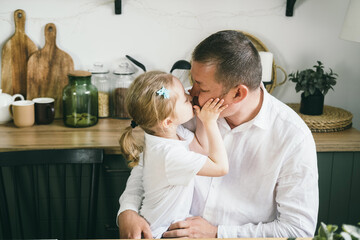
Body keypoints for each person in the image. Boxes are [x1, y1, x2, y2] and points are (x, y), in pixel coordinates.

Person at [117, 30, 319, 238]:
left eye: (201, 87)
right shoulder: (181, 107)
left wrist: (218, 234)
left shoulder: (293, 137)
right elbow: (150, 163)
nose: (191, 92)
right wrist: (128, 209)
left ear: (238, 93)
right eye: (192, 81)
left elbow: (298, 230)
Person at [118, 70, 229, 238]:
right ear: (168, 121)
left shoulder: (168, 135)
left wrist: (201, 118)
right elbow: (220, 168)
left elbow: (201, 148)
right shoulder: (170, 155)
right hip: (157, 233)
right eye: (185, 99)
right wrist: (210, 122)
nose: (191, 96)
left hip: (163, 226)